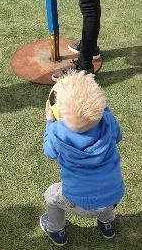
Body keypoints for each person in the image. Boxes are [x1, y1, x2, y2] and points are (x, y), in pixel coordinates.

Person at [40, 70, 125, 246]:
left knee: (51, 195)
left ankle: (56, 230)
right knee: (103, 191)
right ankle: (107, 224)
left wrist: (49, 122)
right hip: (114, 195)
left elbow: (49, 152)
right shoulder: (108, 120)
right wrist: (104, 111)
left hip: (78, 201)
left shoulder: (57, 132)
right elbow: (118, 137)